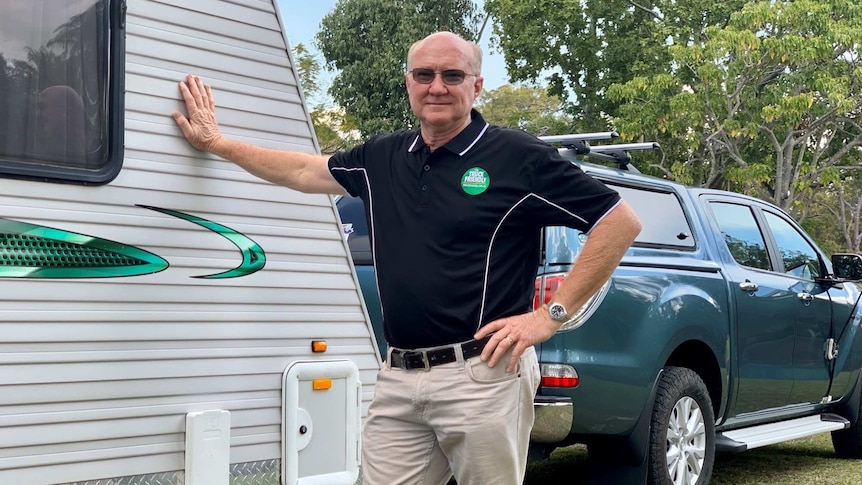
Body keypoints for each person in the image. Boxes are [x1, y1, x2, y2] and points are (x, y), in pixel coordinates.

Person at [172, 31, 642, 485]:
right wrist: (217, 144)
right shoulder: (382, 157)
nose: (437, 86)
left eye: (453, 76)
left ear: (477, 86)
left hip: (482, 376)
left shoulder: (518, 158)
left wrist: (550, 316)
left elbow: (619, 222)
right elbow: (301, 170)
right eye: (425, 74)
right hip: (399, 377)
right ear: (409, 83)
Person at [33, 85, 87, 162]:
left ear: (67, 112)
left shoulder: (91, 156)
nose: (37, 114)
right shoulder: (41, 144)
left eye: (42, 107)